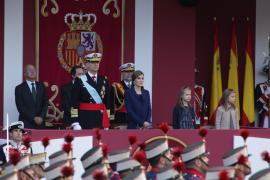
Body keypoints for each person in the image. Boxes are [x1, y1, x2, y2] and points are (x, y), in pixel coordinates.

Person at [70, 53, 110, 129]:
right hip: (85, 119)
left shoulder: (104, 80)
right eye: (93, 62)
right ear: (87, 64)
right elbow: (73, 103)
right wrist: (75, 122)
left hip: (100, 119)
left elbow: (107, 102)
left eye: (97, 62)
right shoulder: (80, 80)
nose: (96, 64)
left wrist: (107, 119)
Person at [15, 64, 48, 129]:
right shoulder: (19, 88)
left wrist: (41, 117)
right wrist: (33, 118)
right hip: (26, 123)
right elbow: (20, 107)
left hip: (40, 123)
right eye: (30, 70)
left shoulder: (42, 86)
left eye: (34, 70)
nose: (33, 71)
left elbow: (45, 103)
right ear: (24, 73)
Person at [111, 63, 135, 128]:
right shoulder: (115, 86)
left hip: (135, 119)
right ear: (122, 73)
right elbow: (111, 105)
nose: (129, 74)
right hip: (121, 118)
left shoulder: (138, 86)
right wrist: (111, 120)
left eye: (131, 71)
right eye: (126, 72)